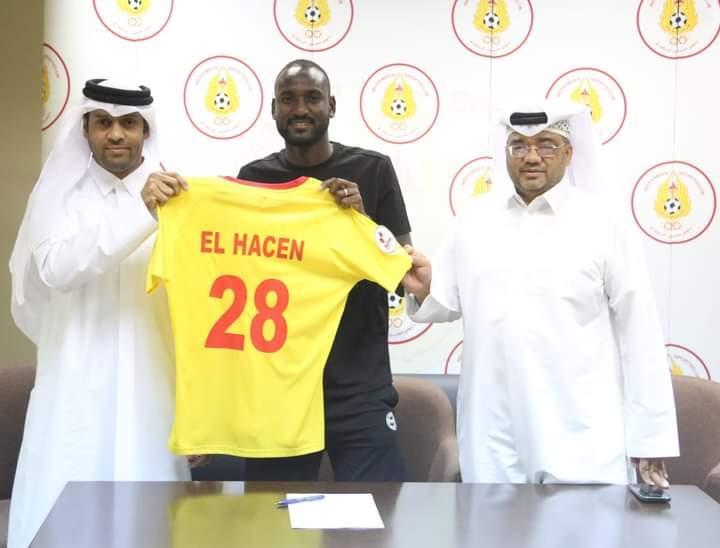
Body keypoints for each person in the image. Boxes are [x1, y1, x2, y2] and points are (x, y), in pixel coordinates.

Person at [401, 99, 679, 487]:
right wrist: (425, 287)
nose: (531, 157)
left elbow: (640, 332)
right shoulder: (475, 221)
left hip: (581, 438)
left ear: (569, 153)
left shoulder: (604, 223)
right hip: (493, 435)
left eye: (546, 145)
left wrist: (650, 439)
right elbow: (445, 301)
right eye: (519, 146)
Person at [7, 79, 193, 548]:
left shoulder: (180, 201)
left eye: (129, 123)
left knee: (152, 521)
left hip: (152, 387)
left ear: (146, 131)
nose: (116, 134)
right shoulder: (58, 195)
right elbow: (57, 269)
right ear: (85, 128)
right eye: (103, 122)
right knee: (65, 518)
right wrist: (142, 212)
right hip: (73, 384)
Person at [236, 59, 412, 481]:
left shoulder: (373, 170)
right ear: (273, 109)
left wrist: (362, 222)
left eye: (312, 98)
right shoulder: (252, 179)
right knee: (271, 515)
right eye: (288, 99)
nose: (300, 109)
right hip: (280, 387)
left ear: (331, 106)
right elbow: (240, 274)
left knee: (383, 509)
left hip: (359, 387)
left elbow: (401, 275)